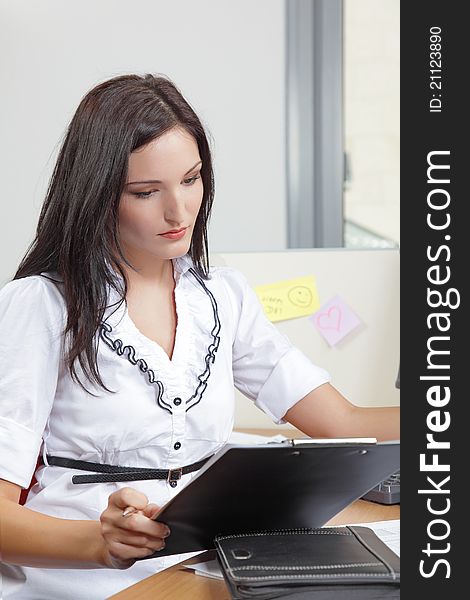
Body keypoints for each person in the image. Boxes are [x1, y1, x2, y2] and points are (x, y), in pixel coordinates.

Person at [0, 73, 400, 599]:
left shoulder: (220, 295)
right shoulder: (43, 306)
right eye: (146, 192)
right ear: (97, 195)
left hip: (206, 569)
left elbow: (342, 422)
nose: (179, 212)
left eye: (191, 180)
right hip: (84, 582)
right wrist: (99, 542)